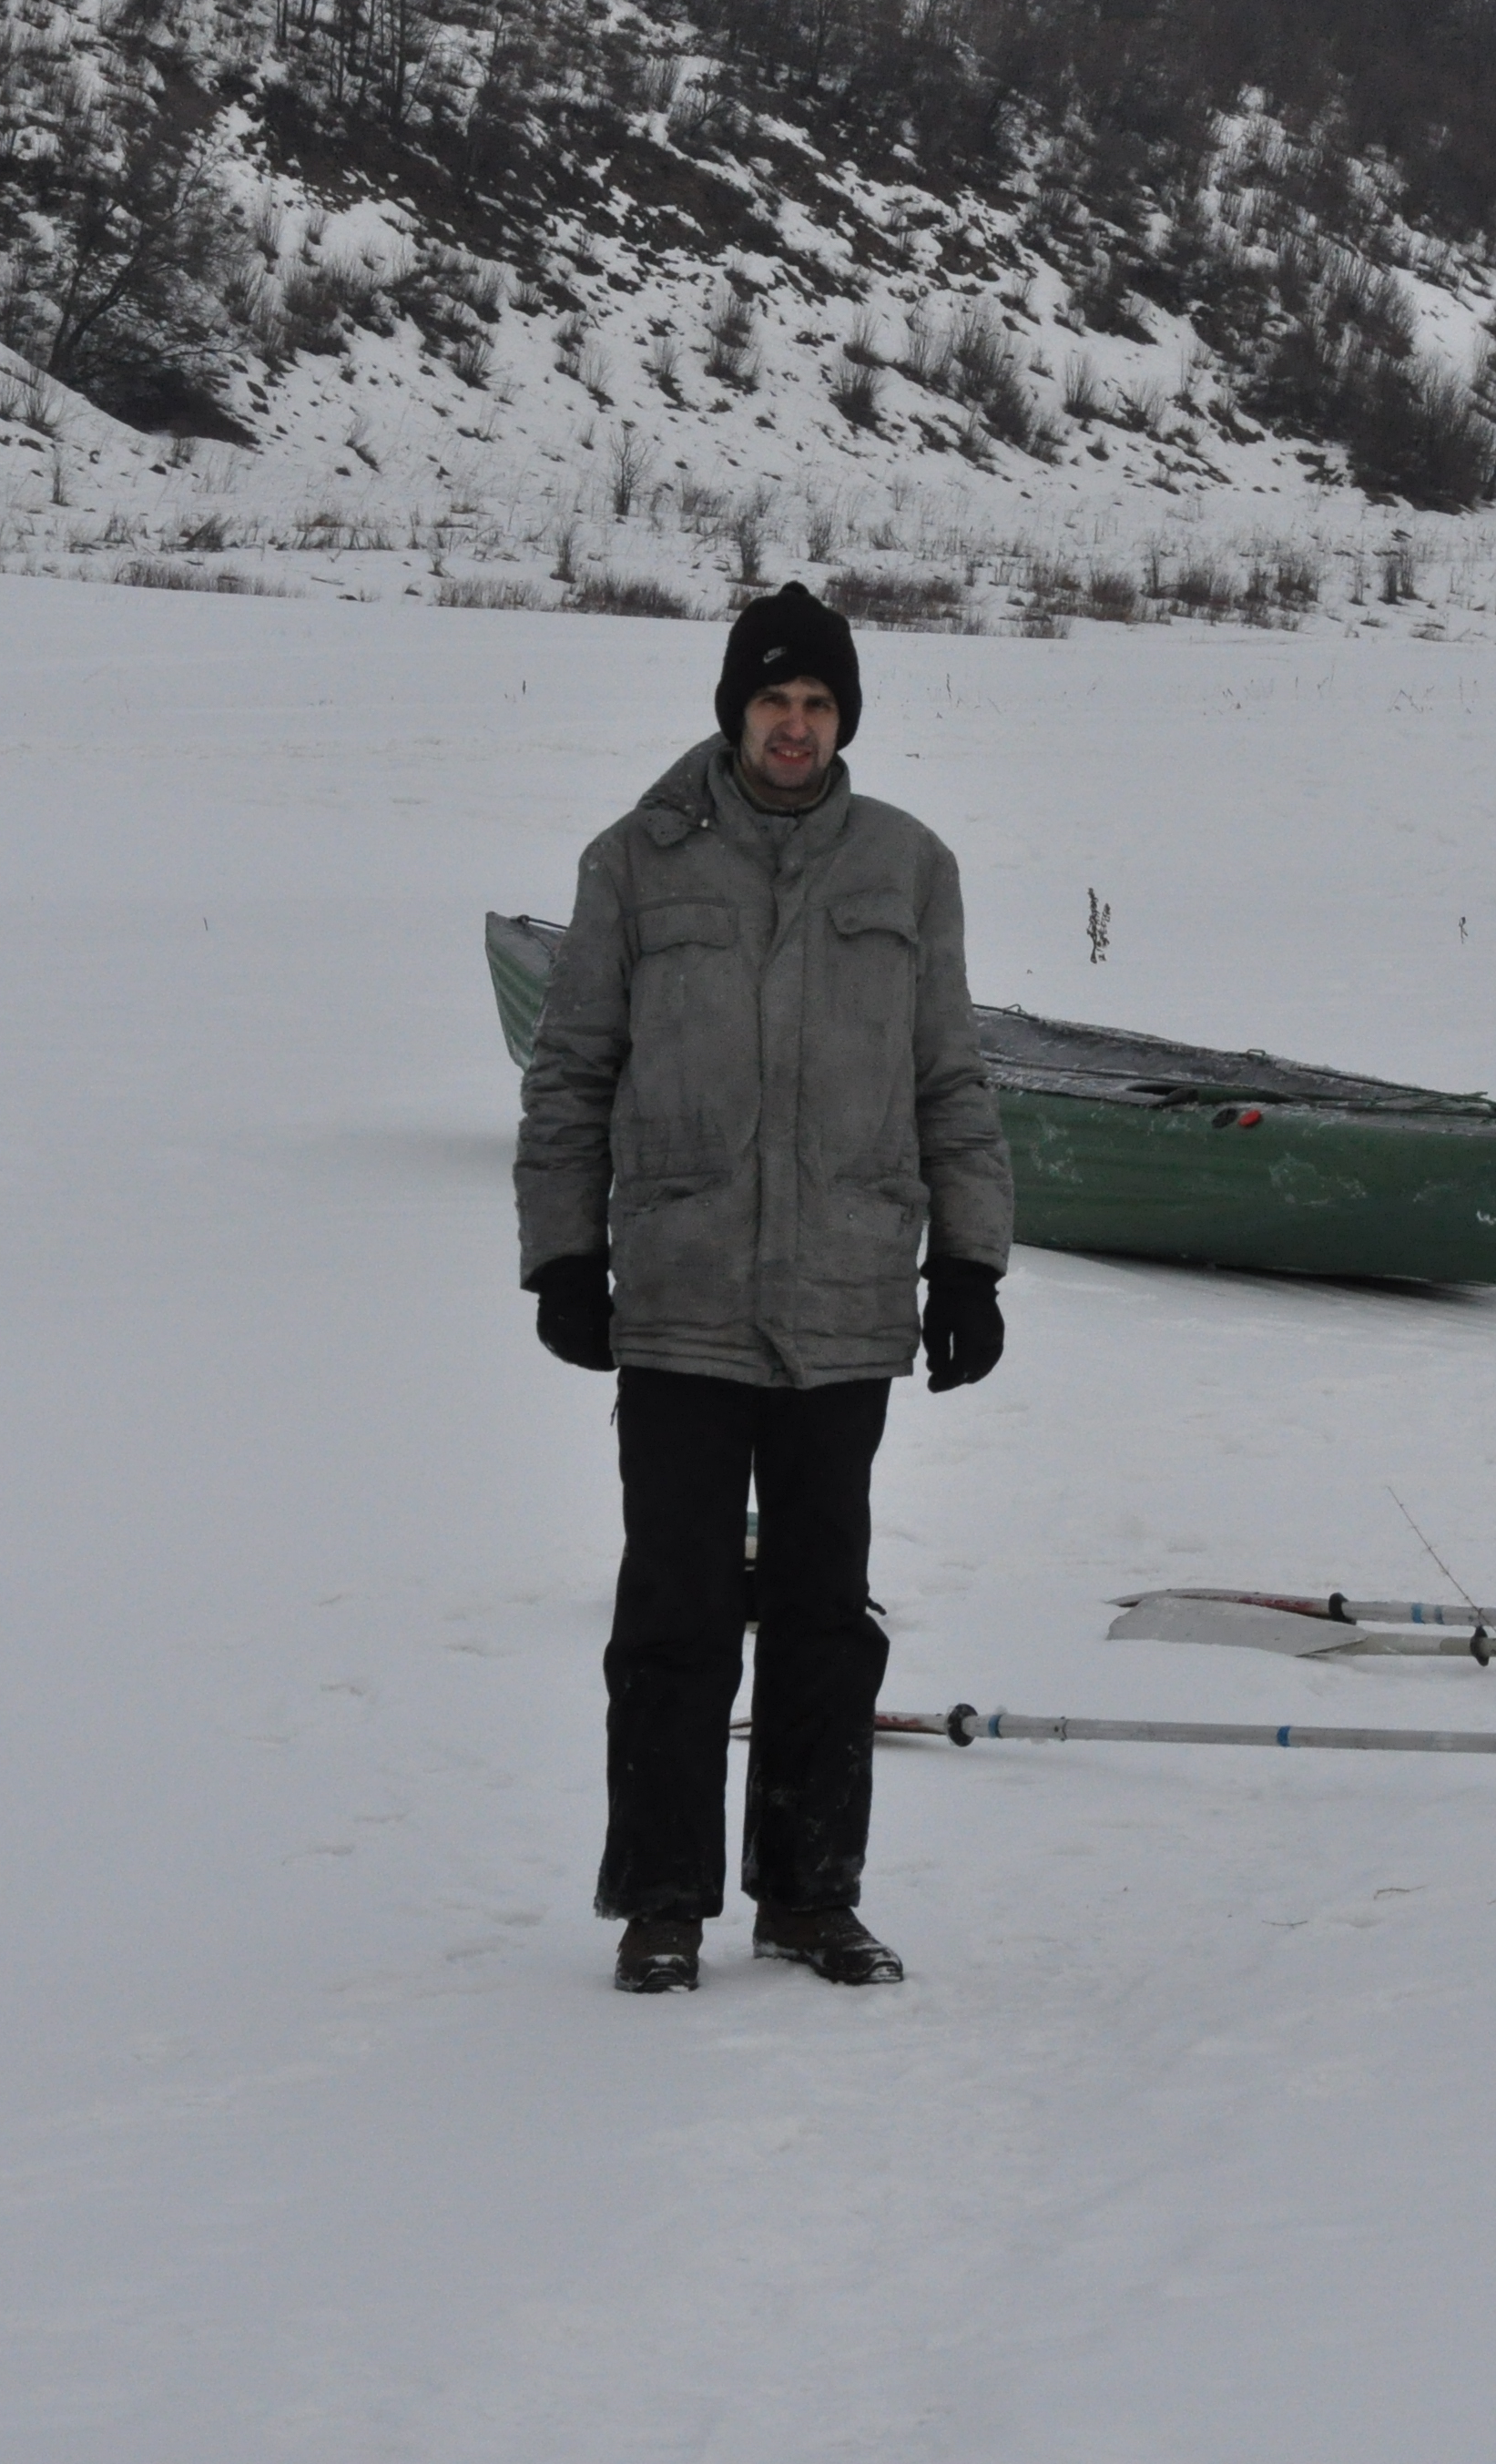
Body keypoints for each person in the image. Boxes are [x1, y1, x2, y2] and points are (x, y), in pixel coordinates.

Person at [514, 581, 1013, 1994]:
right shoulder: (635, 862)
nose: (795, 727)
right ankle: (663, 1902)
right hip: (681, 1298)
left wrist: (969, 1263)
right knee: (672, 1614)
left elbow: (949, 1080)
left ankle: (809, 1896)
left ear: (845, 719)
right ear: (734, 711)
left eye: (818, 704)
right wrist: (565, 1256)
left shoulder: (909, 867)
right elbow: (572, 1074)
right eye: (773, 701)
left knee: (823, 1617)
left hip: (844, 1302)